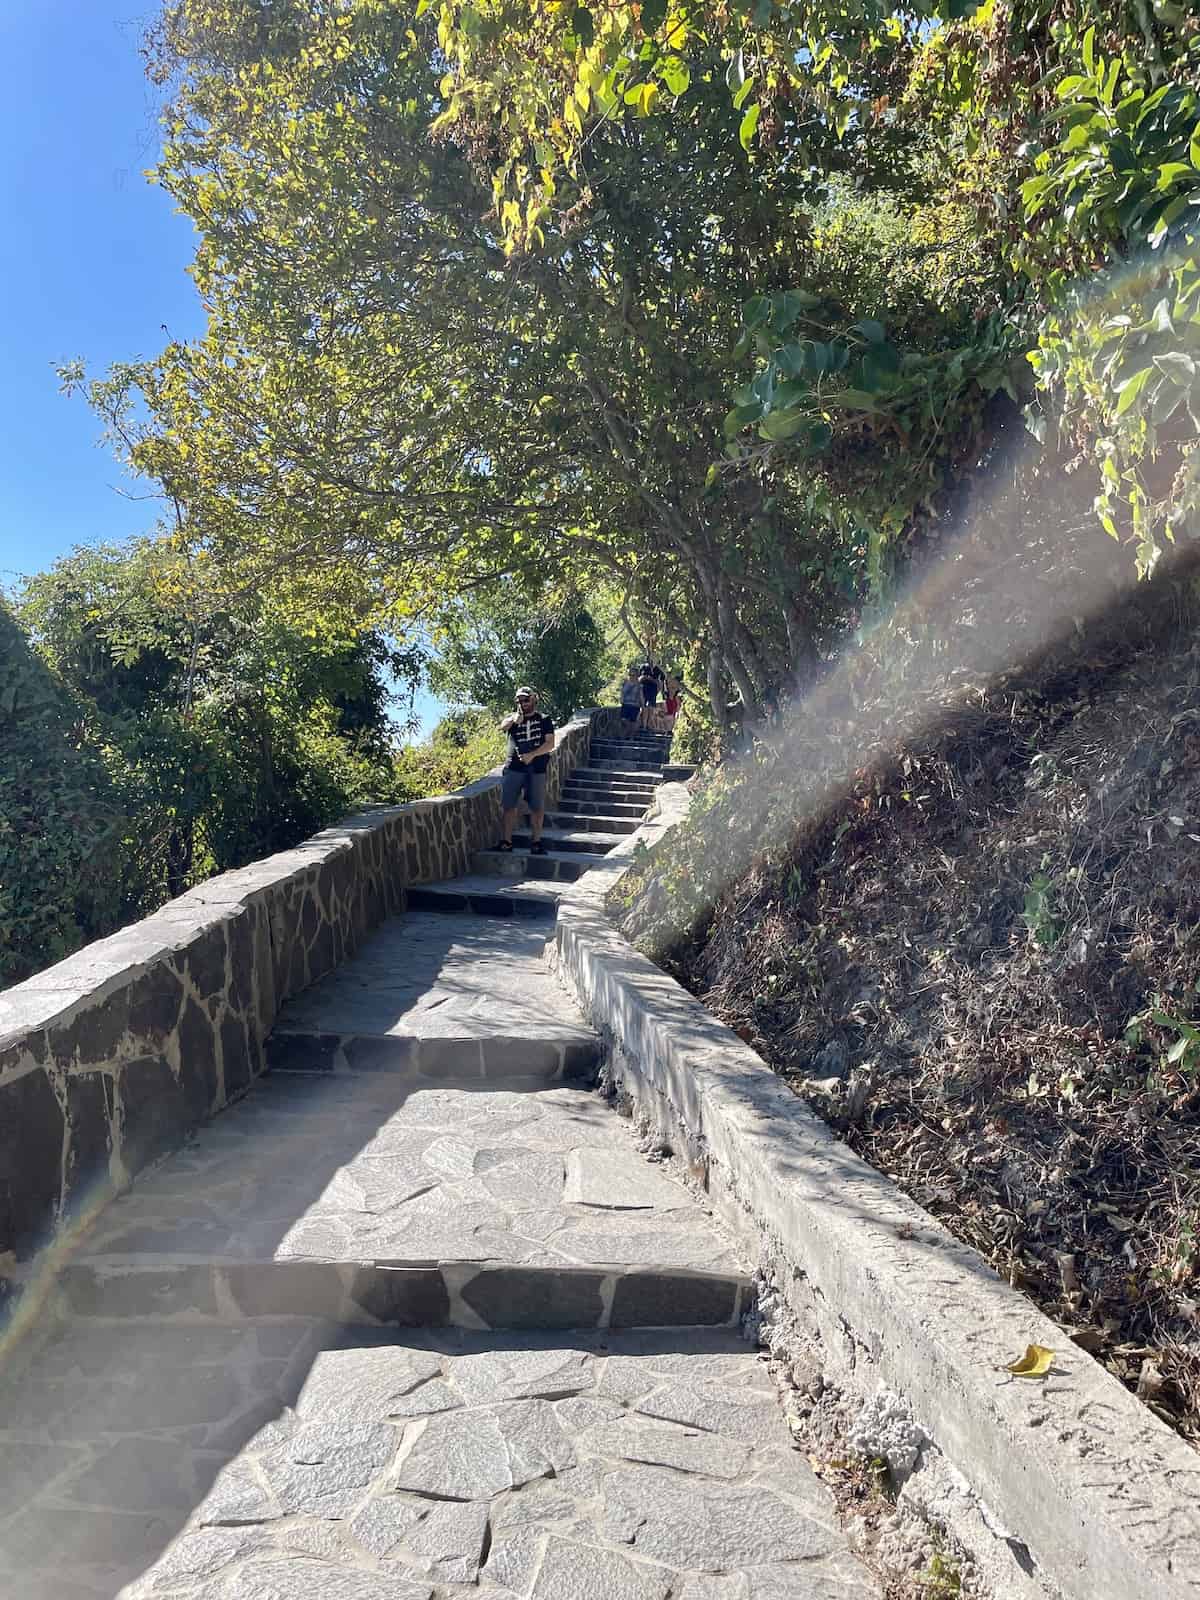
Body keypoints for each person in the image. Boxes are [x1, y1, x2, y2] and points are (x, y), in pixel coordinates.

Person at [497, 687, 555, 855]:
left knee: (537, 807)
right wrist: (514, 720)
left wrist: (532, 755)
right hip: (514, 768)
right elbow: (502, 727)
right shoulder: (514, 719)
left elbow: (550, 744)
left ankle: (536, 842)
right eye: (520, 701)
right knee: (509, 805)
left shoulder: (544, 719)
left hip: (536, 769)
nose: (523, 704)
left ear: (533, 699)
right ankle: (506, 842)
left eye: (526, 700)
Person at [619, 667, 642, 739]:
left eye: (633, 675)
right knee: (623, 720)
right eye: (630, 674)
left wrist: (643, 706)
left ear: (637, 675)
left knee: (633, 722)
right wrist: (621, 699)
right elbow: (622, 692)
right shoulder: (625, 683)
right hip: (625, 704)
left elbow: (641, 696)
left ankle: (631, 737)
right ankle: (627, 734)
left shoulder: (639, 685)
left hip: (635, 706)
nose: (631, 676)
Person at [638, 661, 659, 730]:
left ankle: (649, 726)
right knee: (644, 709)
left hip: (652, 691)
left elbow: (659, 682)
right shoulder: (643, 667)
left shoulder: (657, 668)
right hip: (643, 691)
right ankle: (643, 726)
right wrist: (643, 677)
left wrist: (651, 679)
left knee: (651, 709)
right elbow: (638, 679)